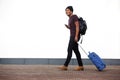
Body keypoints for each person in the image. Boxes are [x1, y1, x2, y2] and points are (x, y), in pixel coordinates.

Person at [58, 6, 84, 71]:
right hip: (72, 35)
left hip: (74, 36)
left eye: (68, 10)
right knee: (76, 51)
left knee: (69, 49)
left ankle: (65, 66)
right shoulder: (70, 18)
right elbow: (73, 27)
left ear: (71, 11)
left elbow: (77, 26)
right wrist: (68, 27)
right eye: (66, 10)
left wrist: (76, 36)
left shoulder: (74, 17)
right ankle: (81, 66)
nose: (66, 12)